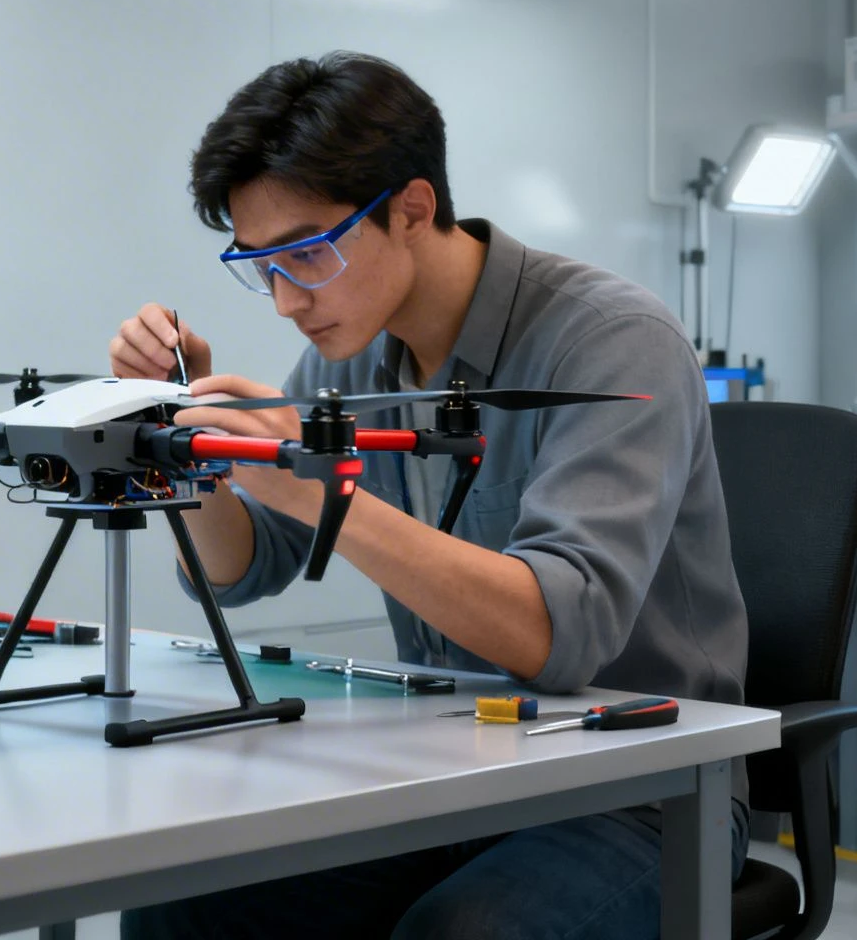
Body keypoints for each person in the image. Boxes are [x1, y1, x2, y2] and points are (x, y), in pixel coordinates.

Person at [108, 52, 749, 940]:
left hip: (640, 786)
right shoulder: (352, 353)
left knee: (466, 934)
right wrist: (190, 440)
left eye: (308, 253)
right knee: (181, 901)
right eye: (260, 265)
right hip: (452, 765)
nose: (288, 300)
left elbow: (558, 637)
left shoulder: (611, 343)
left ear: (412, 208)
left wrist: (317, 489)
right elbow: (239, 570)